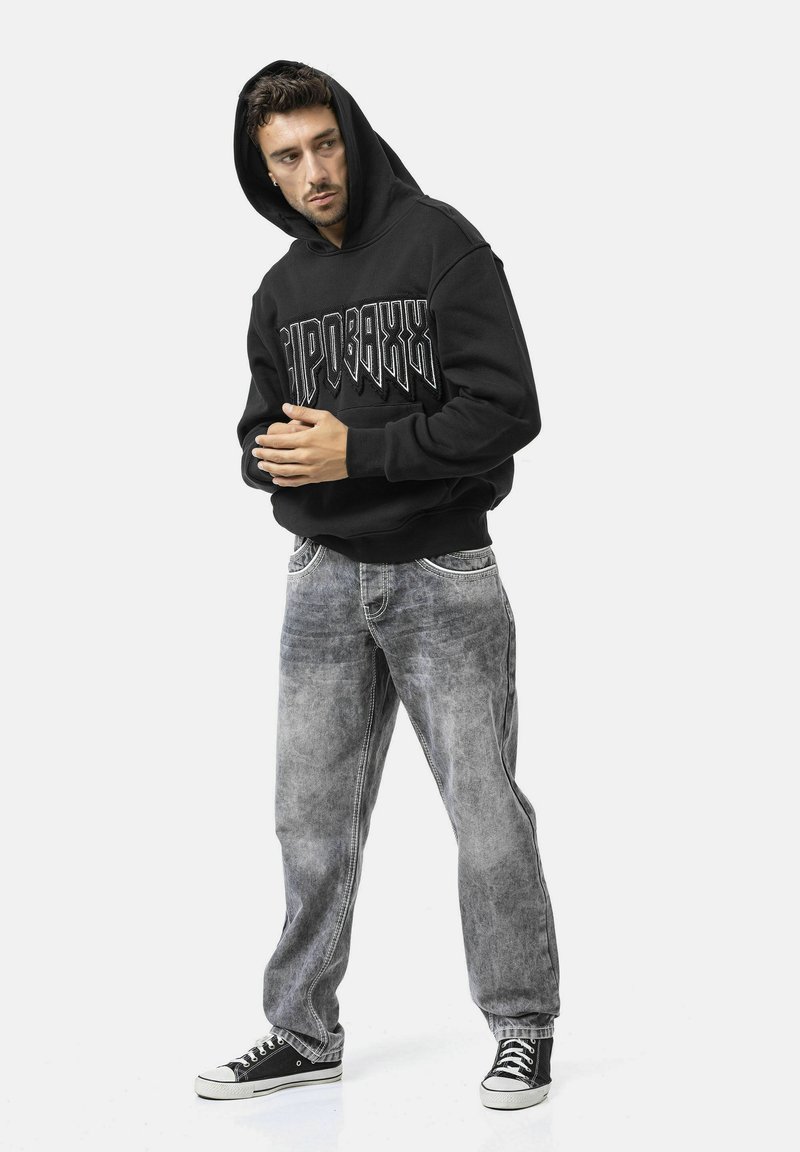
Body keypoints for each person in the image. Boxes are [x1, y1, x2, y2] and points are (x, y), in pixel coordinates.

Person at [194, 59, 560, 1111]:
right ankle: (302, 1030)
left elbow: (507, 409)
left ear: (351, 137)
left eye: (324, 145)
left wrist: (357, 452)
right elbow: (255, 432)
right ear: (263, 172)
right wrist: (271, 456)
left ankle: (522, 1027)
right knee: (308, 820)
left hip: (442, 571)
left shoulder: (442, 244)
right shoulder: (281, 290)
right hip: (320, 579)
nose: (312, 172)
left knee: (484, 811)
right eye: (286, 158)